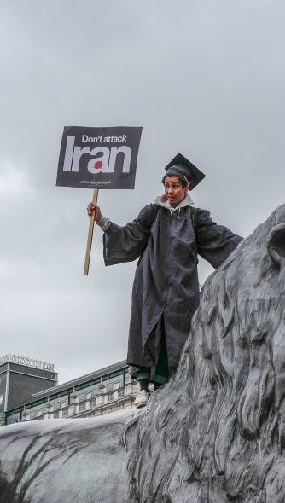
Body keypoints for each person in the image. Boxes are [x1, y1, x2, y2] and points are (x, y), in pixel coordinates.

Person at [89, 154, 242, 406]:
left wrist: (251, 246)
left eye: (175, 186)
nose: (169, 191)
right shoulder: (152, 213)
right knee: (147, 329)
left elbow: (221, 239)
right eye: (167, 185)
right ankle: (142, 387)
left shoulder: (195, 218)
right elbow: (130, 235)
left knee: (176, 337)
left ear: (186, 187)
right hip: (151, 282)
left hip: (182, 289)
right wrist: (102, 221)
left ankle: (167, 385)